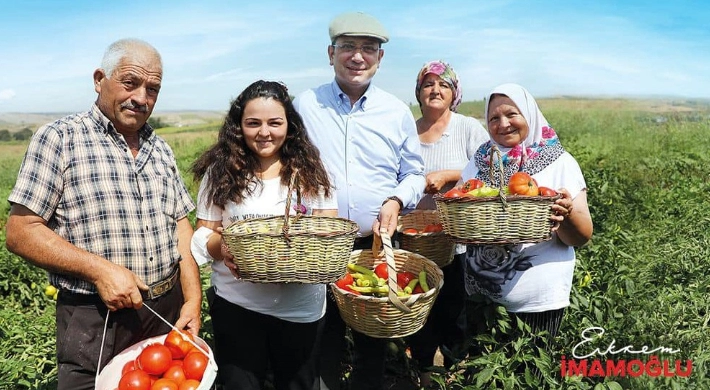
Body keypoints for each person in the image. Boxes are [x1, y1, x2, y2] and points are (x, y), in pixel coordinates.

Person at [5, 38, 202, 389]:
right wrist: (99, 270)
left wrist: (193, 299)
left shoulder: (160, 148)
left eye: (152, 89)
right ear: (99, 79)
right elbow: (21, 231)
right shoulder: (60, 139)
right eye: (130, 82)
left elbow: (180, 226)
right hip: (96, 318)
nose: (142, 98)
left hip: (165, 312)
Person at [293, 11, 426, 390]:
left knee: (373, 339)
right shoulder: (306, 105)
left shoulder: (396, 112)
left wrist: (397, 200)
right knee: (321, 335)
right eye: (348, 47)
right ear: (330, 52)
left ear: (380, 59)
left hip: (376, 244)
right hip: (321, 244)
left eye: (369, 49)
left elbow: (414, 173)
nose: (358, 57)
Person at [189, 80, 338, 390]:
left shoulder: (311, 170)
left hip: (300, 309)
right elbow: (203, 234)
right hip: (237, 306)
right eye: (253, 123)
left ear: (290, 125)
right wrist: (225, 246)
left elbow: (328, 231)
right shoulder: (221, 171)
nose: (264, 132)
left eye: (275, 122)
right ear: (238, 126)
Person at [460, 83, 593, 363]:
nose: (503, 124)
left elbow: (582, 236)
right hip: (480, 301)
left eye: (512, 114)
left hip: (537, 305)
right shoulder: (482, 159)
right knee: (482, 374)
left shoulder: (559, 162)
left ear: (529, 115)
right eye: (494, 118)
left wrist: (566, 215)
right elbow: (462, 203)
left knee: (529, 374)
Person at [407, 60, 489, 387]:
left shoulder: (467, 128)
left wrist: (451, 176)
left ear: (454, 92)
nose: (435, 90)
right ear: (418, 92)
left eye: (443, 84)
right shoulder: (408, 131)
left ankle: (454, 373)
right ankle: (425, 374)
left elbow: (489, 170)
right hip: (415, 238)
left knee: (454, 308)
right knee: (421, 308)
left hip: (458, 240)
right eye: (428, 84)